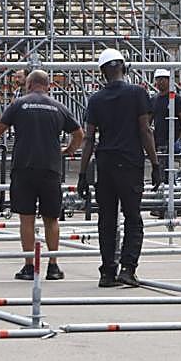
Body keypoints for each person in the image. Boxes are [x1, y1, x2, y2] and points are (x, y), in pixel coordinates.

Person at [0, 69, 83, 281]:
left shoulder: (19, 104)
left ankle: (29, 266)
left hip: (24, 168)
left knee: (27, 219)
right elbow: (79, 134)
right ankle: (53, 266)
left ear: (29, 85)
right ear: (48, 86)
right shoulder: (58, 107)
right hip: (50, 169)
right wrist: (68, 150)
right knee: (51, 219)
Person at [77, 49, 160, 287]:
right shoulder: (137, 93)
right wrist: (155, 163)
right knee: (133, 217)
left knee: (107, 219)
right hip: (130, 163)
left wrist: (82, 174)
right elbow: (145, 130)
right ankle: (128, 268)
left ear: (102, 72)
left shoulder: (96, 100)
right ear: (124, 67)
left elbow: (89, 139)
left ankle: (107, 272)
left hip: (105, 164)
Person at [150, 68, 181, 155]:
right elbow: (148, 121)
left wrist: (180, 140)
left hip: (173, 142)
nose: (159, 82)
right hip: (158, 143)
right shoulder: (154, 100)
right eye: (157, 79)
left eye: (162, 79)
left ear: (169, 80)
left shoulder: (176, 99)